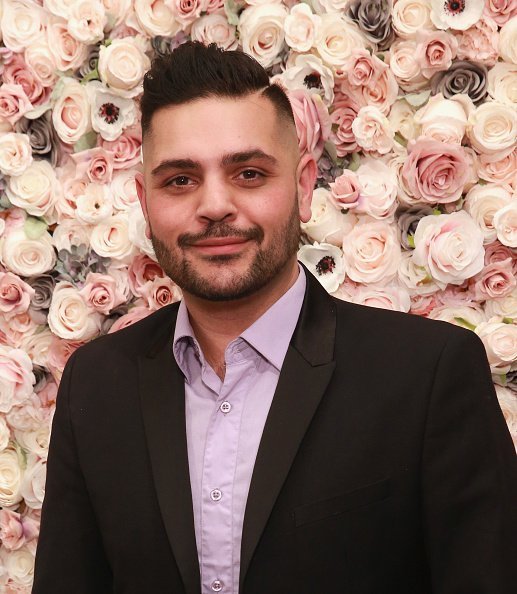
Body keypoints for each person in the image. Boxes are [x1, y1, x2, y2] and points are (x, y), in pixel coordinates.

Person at [33, 42, 517, 594]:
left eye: (249, 174)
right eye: (180, 180)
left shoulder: (426, 374)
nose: (214, 205)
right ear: (145, 202)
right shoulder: (97, 383)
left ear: (305, 185)